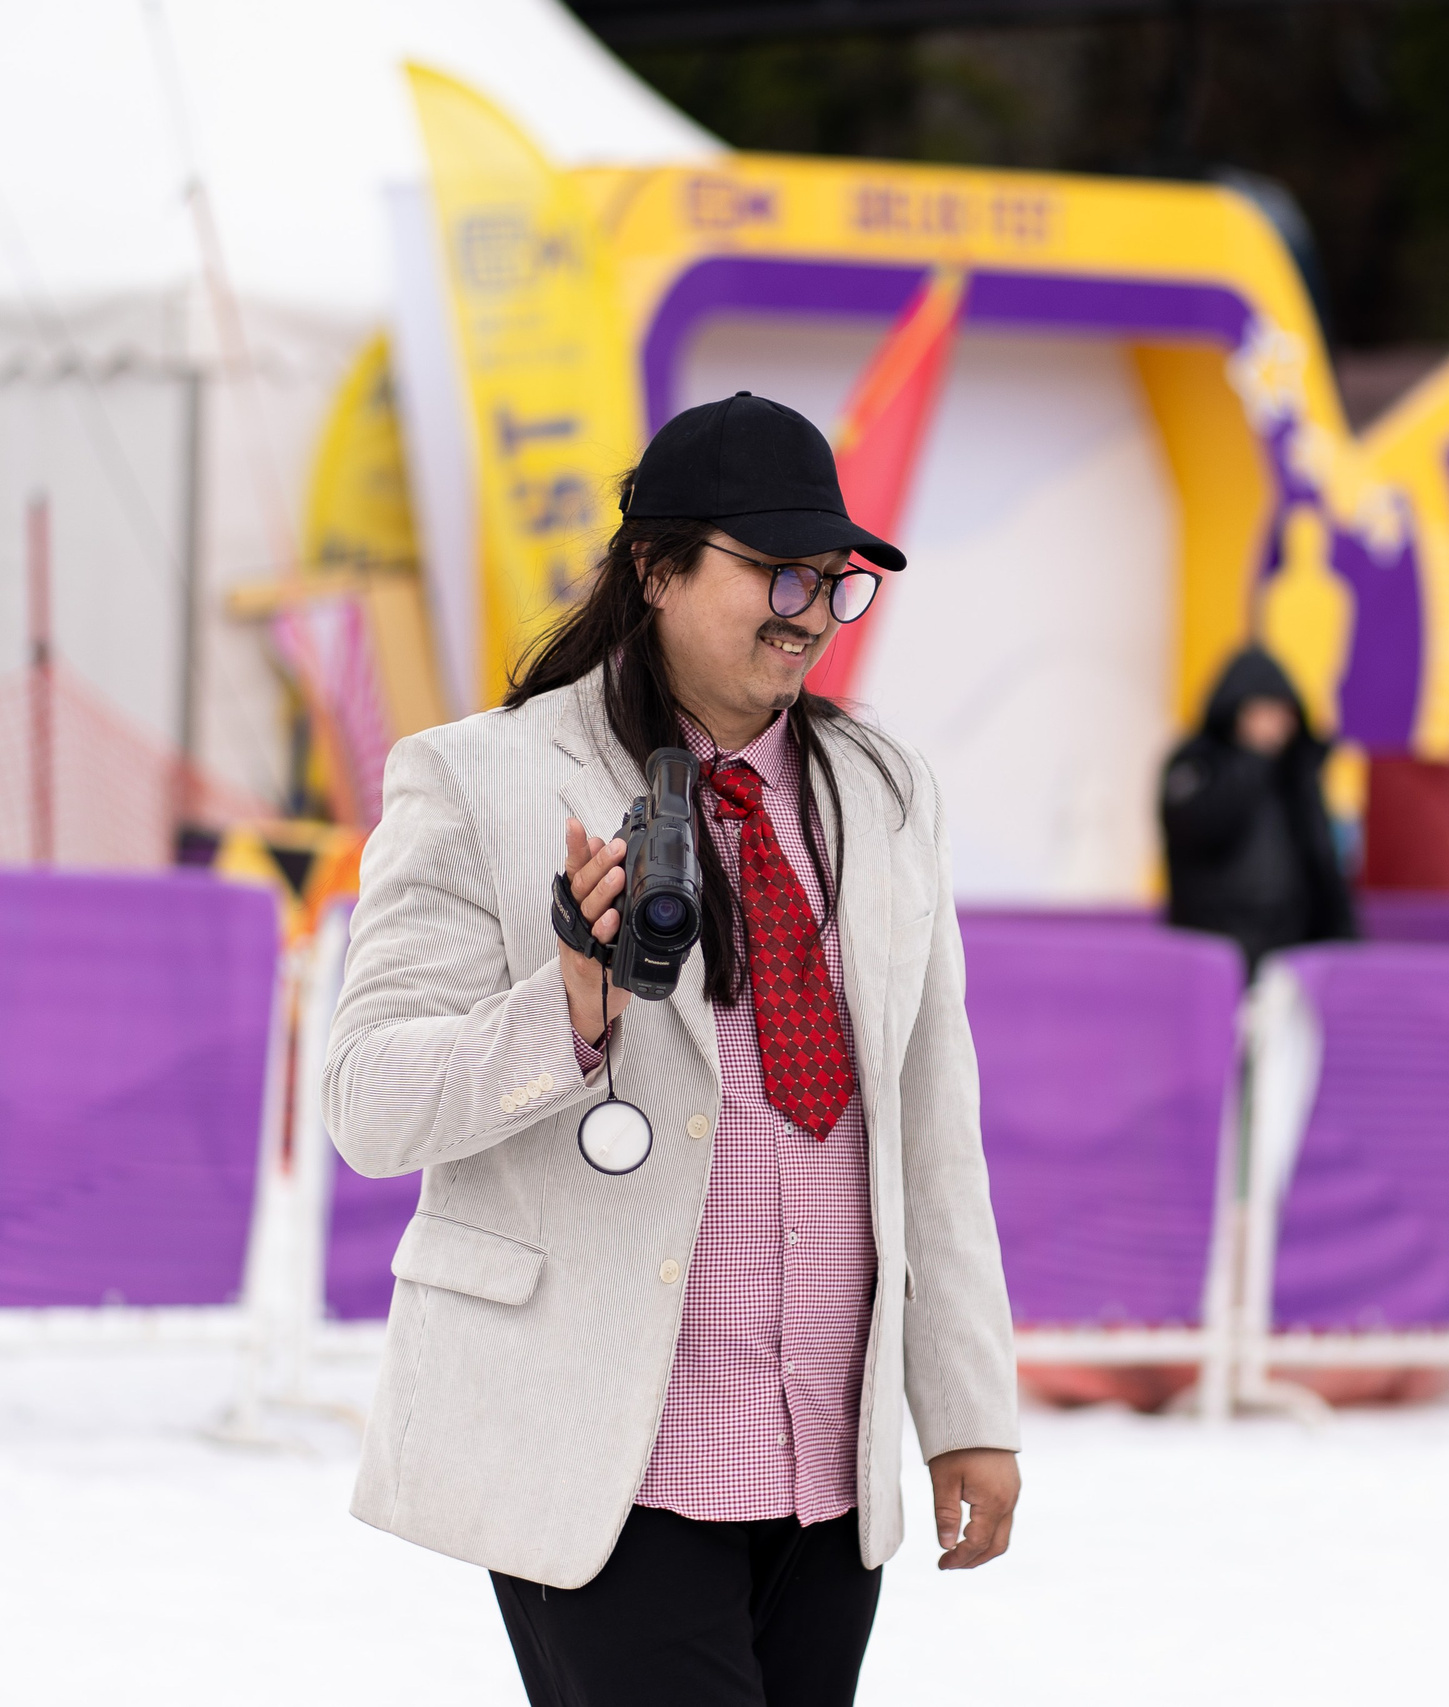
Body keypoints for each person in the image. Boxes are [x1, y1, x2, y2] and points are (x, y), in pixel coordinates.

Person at [323, 391, 1020, 1706]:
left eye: (835, 579)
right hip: (598, 1450)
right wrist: (571, 1000)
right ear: (657, 567)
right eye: (777, 570)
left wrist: (969, 1408)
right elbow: (371, 1098)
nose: (812, 608)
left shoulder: (885, 788)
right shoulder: (477, 777)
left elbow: (934, 1116)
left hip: (824, 1461)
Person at [1159, 644, 1357, 969]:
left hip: (1292, 952)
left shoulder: (1297, 774)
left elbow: (1322, 863)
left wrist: (1345, 939)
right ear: (1237, 708)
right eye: (1264, 709)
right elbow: (1197, 830)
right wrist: (1252, 762)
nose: (1275, 723)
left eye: (1283, 712)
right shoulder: (1197, 764)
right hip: (1214, 953)